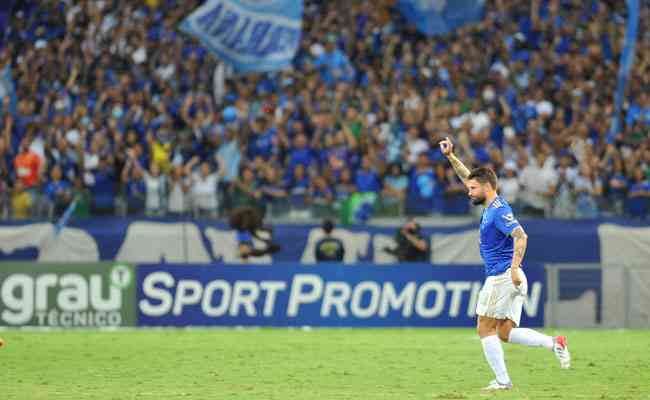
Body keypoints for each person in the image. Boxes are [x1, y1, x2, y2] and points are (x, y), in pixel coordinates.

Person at [440, 137, 570, 391]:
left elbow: (521, 236)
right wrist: (451, 156)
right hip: (512, 275)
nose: (469, 192)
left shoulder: (499, 211)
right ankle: (555, 342)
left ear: (487, 187)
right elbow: (468, 176)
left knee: (484, 328)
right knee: (504, 332)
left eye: (473, 189)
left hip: (503, 275)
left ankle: (503, 382)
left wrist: (512, 268)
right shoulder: (491, 204)